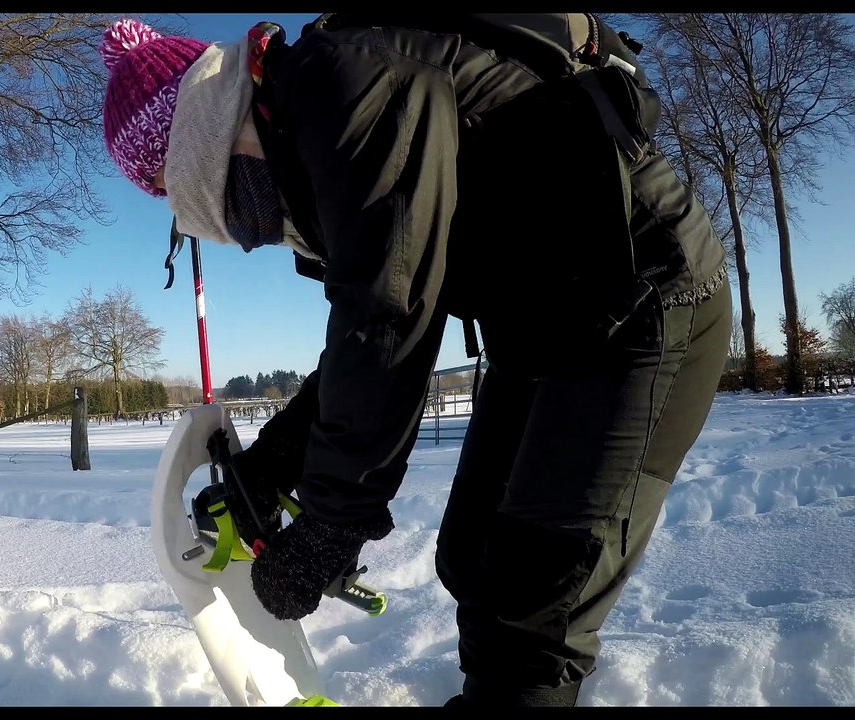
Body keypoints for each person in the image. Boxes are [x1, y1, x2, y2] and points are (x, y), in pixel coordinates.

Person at [97, 13, 732, 707]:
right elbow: (380, 320)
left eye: (200, 194)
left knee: (536, 595)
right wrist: (274, 464)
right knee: (474, 554)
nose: (242, 226)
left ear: (205, 134)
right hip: (545, 322)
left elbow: (389, 313)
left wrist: (333, 519)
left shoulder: (348, 83)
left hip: (647, 301)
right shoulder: (315, 127)